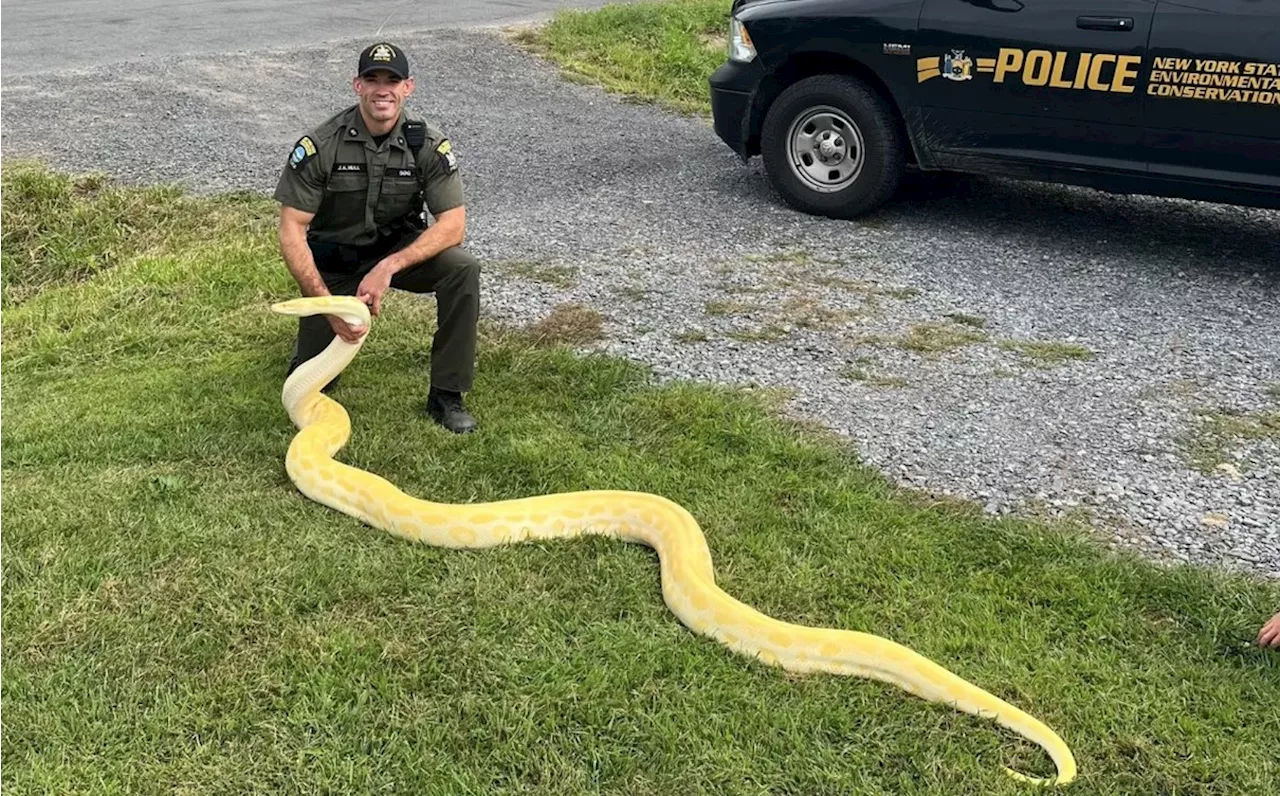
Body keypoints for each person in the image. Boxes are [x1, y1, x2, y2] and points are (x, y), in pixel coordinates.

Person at [273, 41, 480, 434]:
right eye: (372, 79)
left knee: (463, 270)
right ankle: (315, 337)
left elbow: (453, 225)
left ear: (408, 87)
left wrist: (388, 266)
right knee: (310, 383)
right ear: (357, 85)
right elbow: (291, 229)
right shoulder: (321, 145)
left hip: (395, 252)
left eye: (392, 80)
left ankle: (447, 395)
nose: (382, 89)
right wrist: (326, 305)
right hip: (335, 263)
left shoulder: (428, 144)